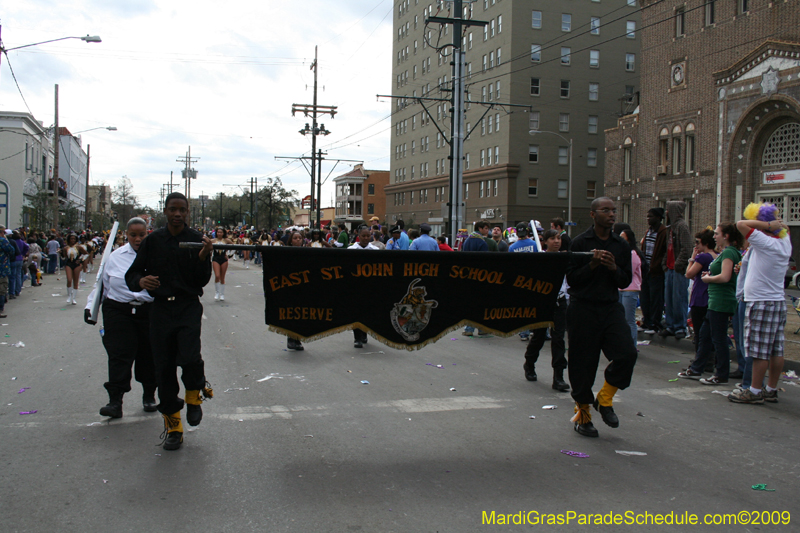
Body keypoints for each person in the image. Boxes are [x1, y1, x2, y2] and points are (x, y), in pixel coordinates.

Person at [125, 192, 213, 451]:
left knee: (189, 358)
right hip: (160, 310)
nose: (177, 214)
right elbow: (133, 274)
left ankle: (194, 396)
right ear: (165, 211)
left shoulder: (198, 240)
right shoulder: (153, 241)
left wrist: (203, 257)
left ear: (188, 212)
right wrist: (141, 282)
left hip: (187, 307)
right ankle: (173, 427)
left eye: (182, 210)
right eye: (172, 209)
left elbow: (201, 280)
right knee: (163, 368)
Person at [566, 197, 638, 438]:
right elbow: (573, 280)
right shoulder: (579, 243)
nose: (611, 214)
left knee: (627, 353)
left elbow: (626, 280)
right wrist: (593, 265)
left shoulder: (621, 245)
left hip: (610, 307)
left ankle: (604, 399)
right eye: (605, 210)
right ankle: (583, 414)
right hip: (582, 308)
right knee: (583, 364)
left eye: (613, 210)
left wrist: (613, 267)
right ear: (592, 214)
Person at [85, 218, 157, 419]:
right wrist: (90, 306)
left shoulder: (155, 256)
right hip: (119, 310)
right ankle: (115, 400)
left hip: (147, 311)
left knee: (148, 354)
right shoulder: (114, 257)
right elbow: (102, 284)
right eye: (133, 235)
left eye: (141, 235)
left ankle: (149, 395)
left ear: (147, 233)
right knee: (119, 355)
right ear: (126, 234)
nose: (137, 239)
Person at [729, 207, 791, 404]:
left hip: (761, 301)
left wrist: (767, 225)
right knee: (775, 349)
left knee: (758, 351)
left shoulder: (765, 242)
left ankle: (754, 391)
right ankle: (771, 389)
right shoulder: (784, 241)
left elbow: (740, 225)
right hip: (777, 300)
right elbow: (786, 228)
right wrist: (774, 224)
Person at [678, 223, 743, 384]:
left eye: (717, 233)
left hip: (721, 300)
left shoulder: (728, 252)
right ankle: (697, 368)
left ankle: (721, 374)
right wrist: (712, 273)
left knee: (718, 338)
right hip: (714, 300)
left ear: (726, 236)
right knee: (705, 335)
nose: (714, 236)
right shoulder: (724, 253)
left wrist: (707, 278)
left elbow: (725, 277)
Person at [523, 229, 570, 392]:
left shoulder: (566, 258)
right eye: (552, 238)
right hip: (542, 301)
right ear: (545, 241)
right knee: (539, 336)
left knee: (558, 339)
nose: (556, 241)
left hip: (560, 301)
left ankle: (559, 377)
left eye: (559, 238)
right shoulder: (539, 258)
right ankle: (529, 364)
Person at [661, 201, 692, 339]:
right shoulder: (670, 227)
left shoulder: (682, 226)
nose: (666, 212)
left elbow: (687, 248)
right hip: (669, 268)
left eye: (668, 209)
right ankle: (670, 325)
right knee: (669, 298)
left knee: (679, 298)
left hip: (678, 269)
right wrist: (665, 265)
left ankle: (680, 326)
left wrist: (679, 264)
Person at [684, 230, 717, 358]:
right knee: (709, 332)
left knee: (699, 332)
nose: (696, 246)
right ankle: (710, 359)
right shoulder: (717, 256)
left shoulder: (702, 257)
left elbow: (689, 274)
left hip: (699, 298)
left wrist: (692, 258)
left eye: (698, 242)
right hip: (710, 297)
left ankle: (700, 360)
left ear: (706, 242)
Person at [349, 226, 380, 347]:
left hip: (369, 287)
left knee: (367, 311)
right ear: (359, 236)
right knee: (356, 312)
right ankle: (357, 338)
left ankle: (364, 333)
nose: (366, 238)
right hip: (355, 286)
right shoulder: (351, 249)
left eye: (368, 236)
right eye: (364, 236)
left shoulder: (375, 250)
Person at [613, 223, 644, 344]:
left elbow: (628, 270)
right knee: (620, 318)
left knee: (628, 319)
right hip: (620, 289)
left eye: (623, 237)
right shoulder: (623, 253)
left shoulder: (633, 254)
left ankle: (631, 344)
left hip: (630, 290)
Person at [60, 234, 86, 305]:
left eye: (74, 239)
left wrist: (81, 260)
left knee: (75, 280)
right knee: (69, 280)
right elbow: (64, 258)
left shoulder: (79, 247)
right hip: (69, 263)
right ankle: (69, 296)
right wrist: (60, 254)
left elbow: (86, 254)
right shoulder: (66, 248)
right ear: (69, 240)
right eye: (71, 239)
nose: (73, 240)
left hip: (76, 264)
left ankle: (74, 298)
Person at [212, 228, 233, 301]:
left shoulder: (227, 240)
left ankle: (222, 294)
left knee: (222, 277)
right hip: (216, 258)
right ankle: (217, 292)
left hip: (223, 258)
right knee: (217, 275)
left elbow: (234, 247)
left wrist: (230, 255)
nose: (219, 234)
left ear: (223, 233)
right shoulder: (213, 240)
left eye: (221, 232)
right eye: (218, 232)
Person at [0, 227, 15, 318]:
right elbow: (11, 251)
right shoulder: (2, 241)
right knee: (2, 289)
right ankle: (0, 309)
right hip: (2, 269)